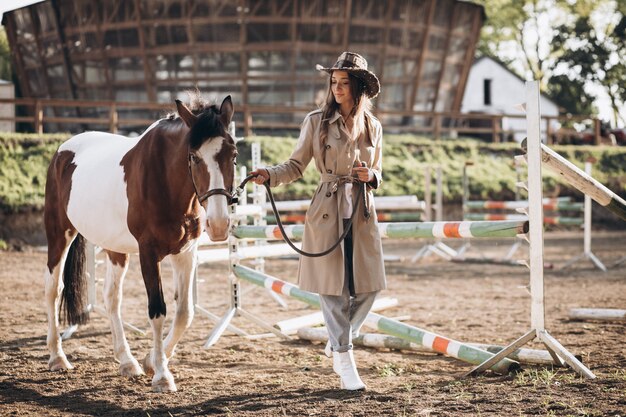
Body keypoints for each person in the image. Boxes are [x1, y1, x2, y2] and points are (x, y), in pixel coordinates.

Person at [250, 52, 386, 391]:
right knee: (333, 291)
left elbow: (379, 170)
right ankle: (344, 357)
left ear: (358, 88)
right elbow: (296, 165)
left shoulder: (374, 127)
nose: (337, 88)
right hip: (326, 214)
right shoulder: (316, 122)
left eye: (344, 83)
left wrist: (372, 176)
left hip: (362, 215)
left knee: (369, 288)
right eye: (333, 82)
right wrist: (270, 174)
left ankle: (340, 338)